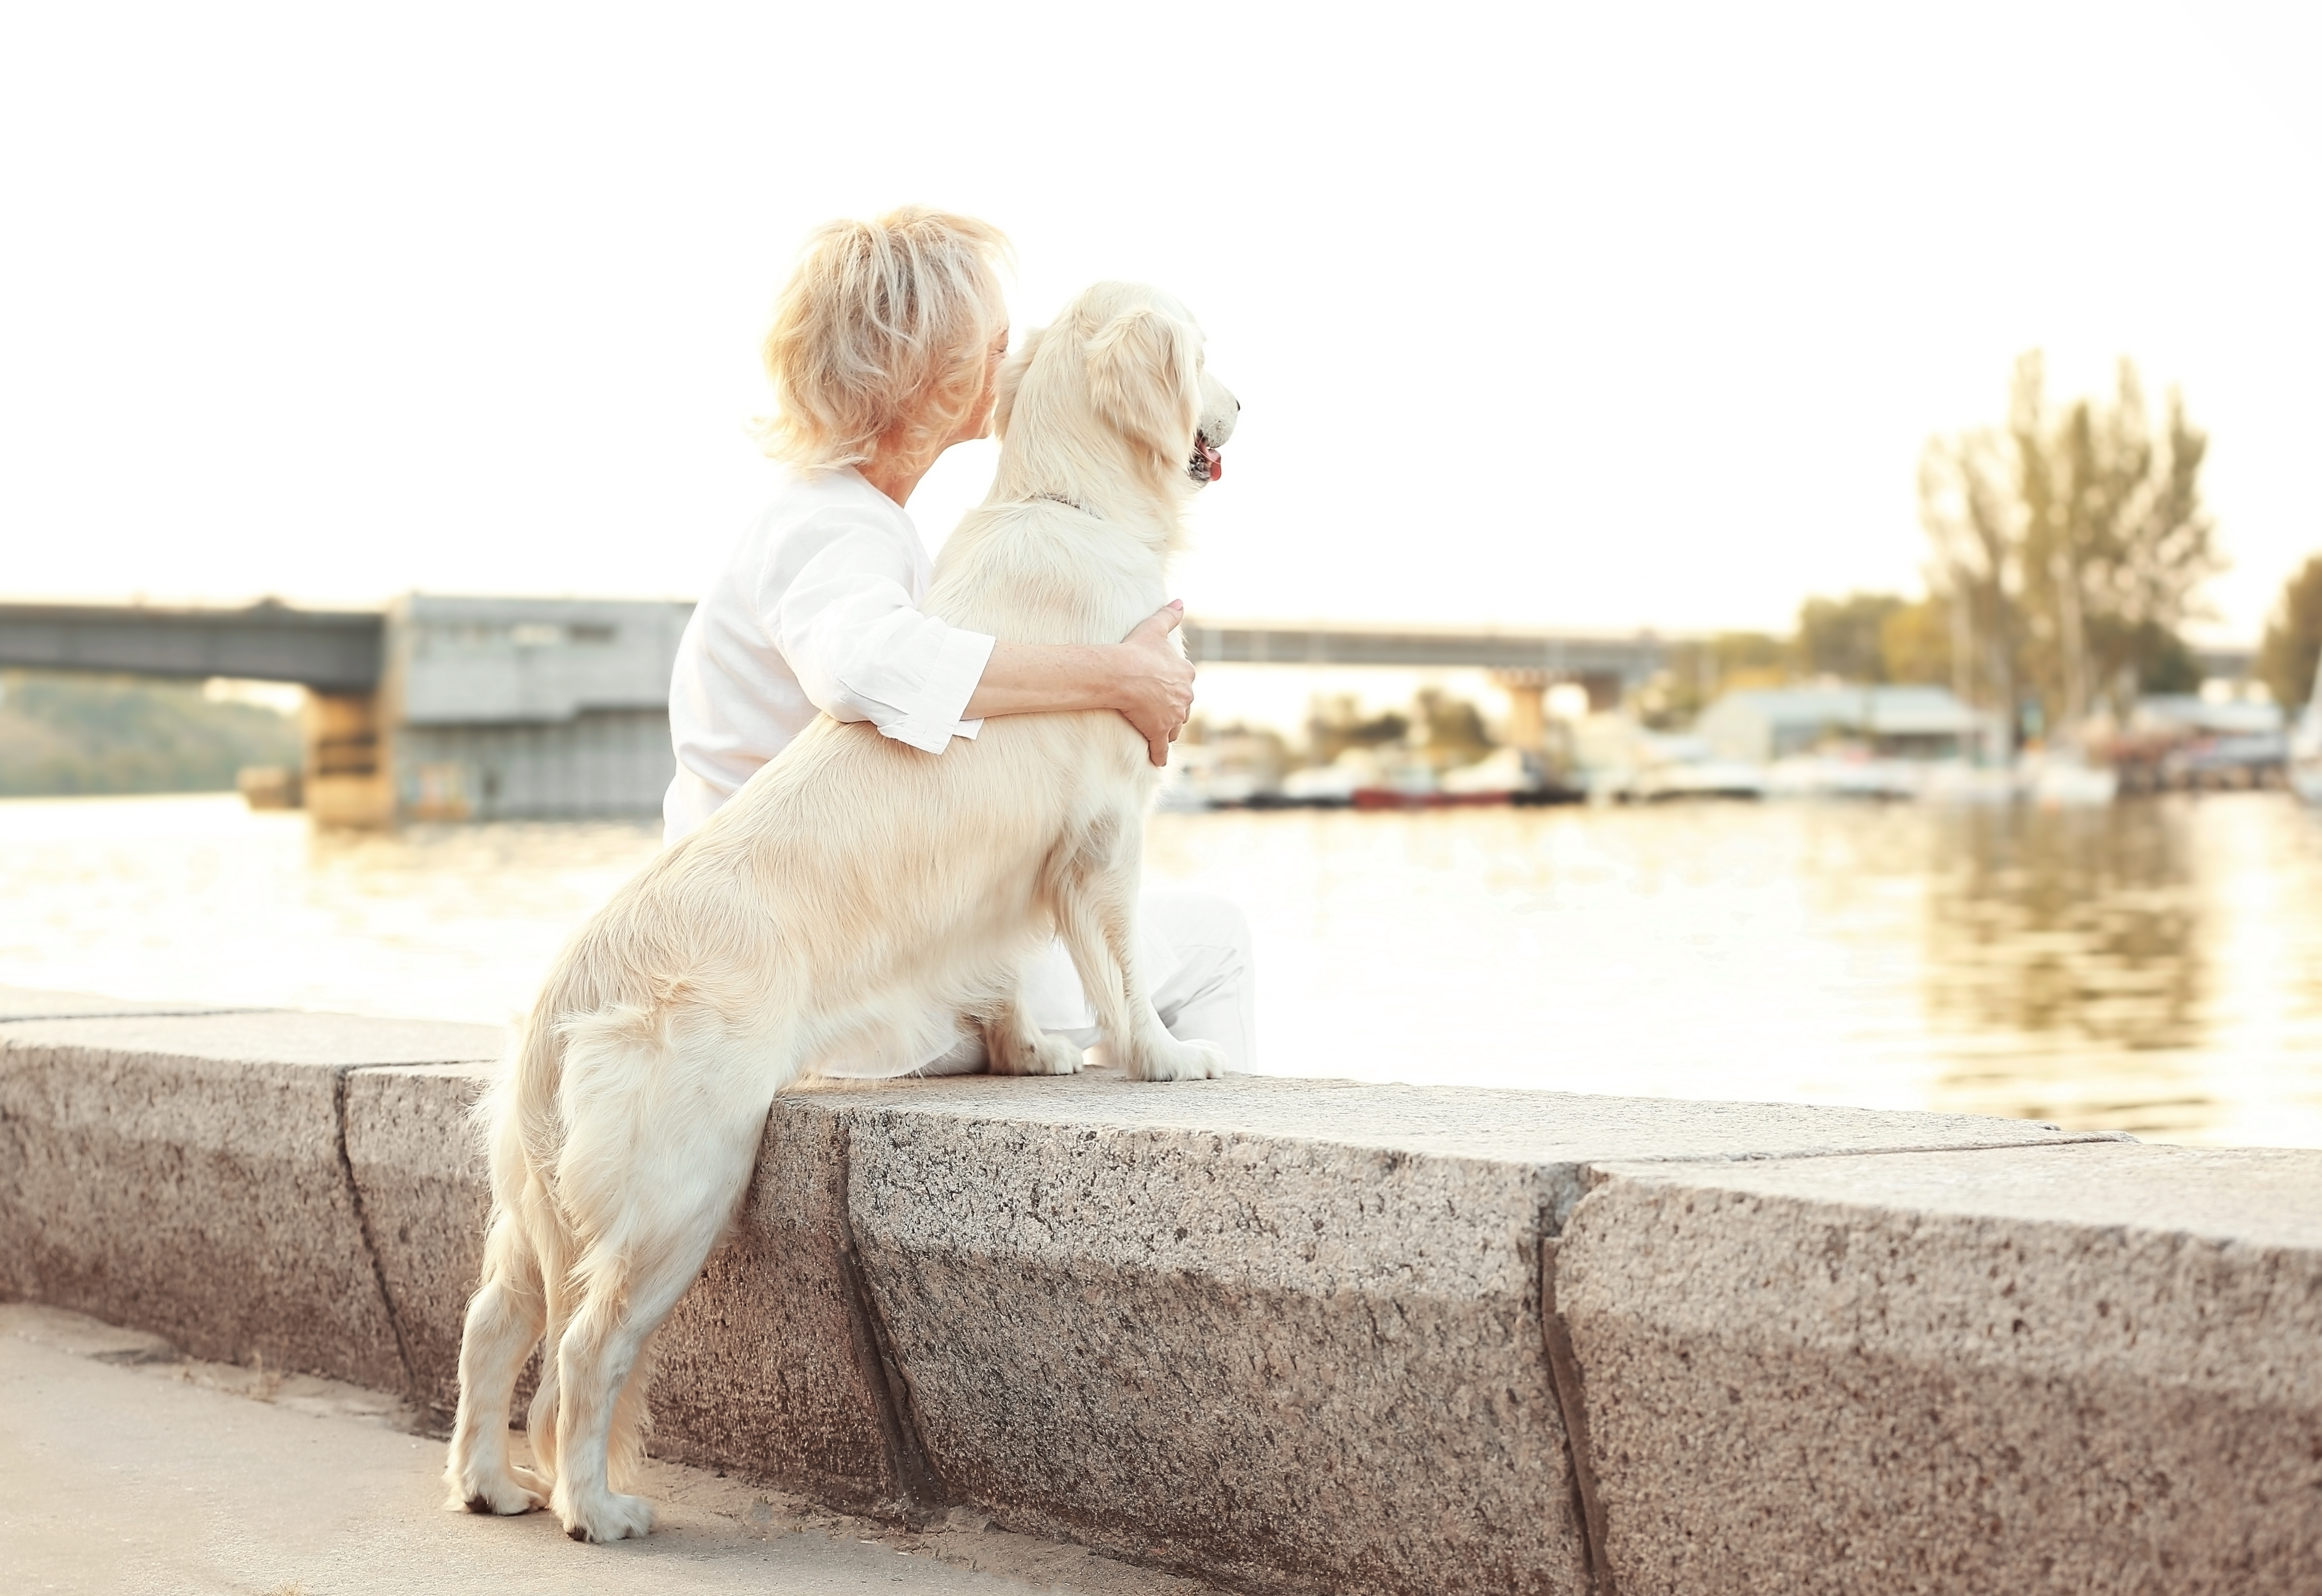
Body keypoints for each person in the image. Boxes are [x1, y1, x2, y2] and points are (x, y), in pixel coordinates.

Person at [663, 207, 1254, 1076]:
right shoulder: (832, 532)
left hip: (823, 956)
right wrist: (1118, 676)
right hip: (839, 983)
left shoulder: (863, 526)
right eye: (991, 343)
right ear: (927, 375)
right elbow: (866, 667)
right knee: (1220, 942)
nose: (1011, 359)